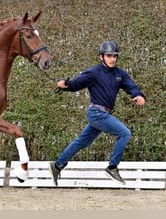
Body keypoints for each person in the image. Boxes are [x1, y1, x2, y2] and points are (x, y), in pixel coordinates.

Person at [49, 40, 145, 185]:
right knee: (124, 133)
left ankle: (57, 166)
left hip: (103, 115)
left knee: (82, 141)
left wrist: (138, 95)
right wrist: (65, 85)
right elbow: (76, 83)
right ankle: (112, 167)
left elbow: (131, 86)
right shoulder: (94, 72)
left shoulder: (120, 74)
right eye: (109, 56)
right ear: (101, 57)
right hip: (96, 113)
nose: (112, 59)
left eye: (114, 56)